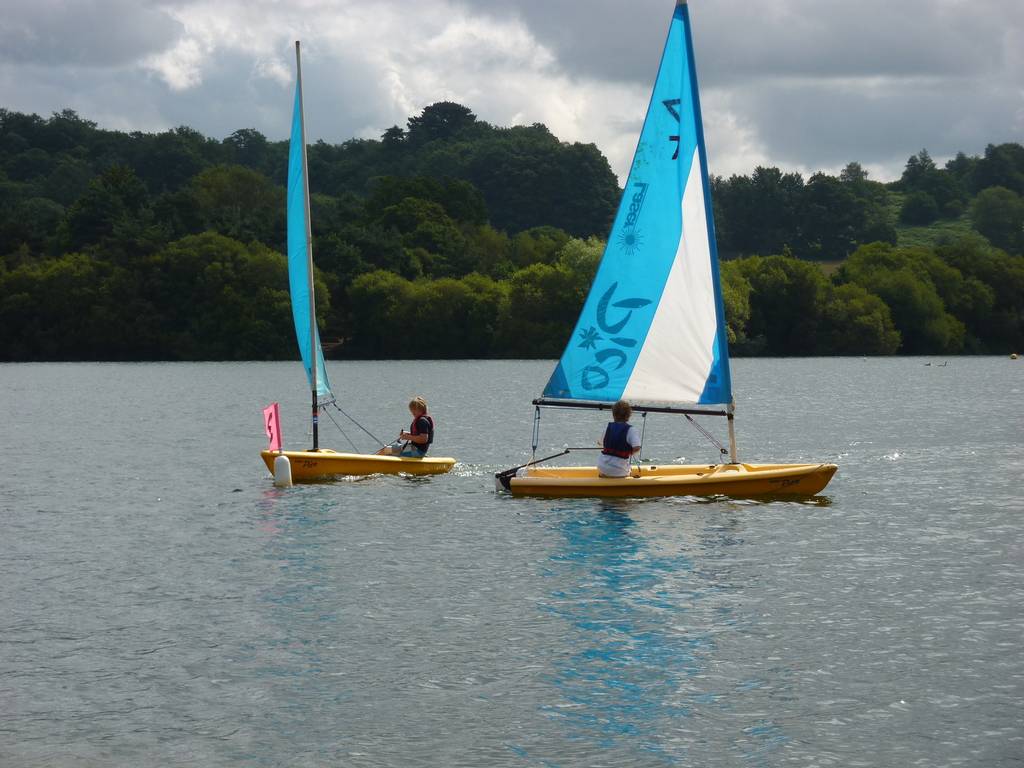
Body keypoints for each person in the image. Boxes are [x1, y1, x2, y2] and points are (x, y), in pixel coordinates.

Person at [596, 399, 641, 478]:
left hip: (602, 466)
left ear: (613, 414)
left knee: (606, 469)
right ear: (628, 415)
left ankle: (604, 476)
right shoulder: (631, 430)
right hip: (619, 470)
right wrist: (629, 452)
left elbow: (600, 443)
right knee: (628, 471)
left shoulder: (608, 428)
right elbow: (637, 447)